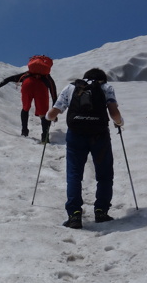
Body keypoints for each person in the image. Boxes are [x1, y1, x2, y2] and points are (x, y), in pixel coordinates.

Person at [45, 68, 124, 229]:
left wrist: (48, 118)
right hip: (99, 135)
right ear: (102, 80)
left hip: (76, 135)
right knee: (104, 175)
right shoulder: (106, 88)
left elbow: (52, 113)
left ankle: (74, 215)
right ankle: (101, 211)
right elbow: (114, 113)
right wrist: (120, 123)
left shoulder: (71, 87)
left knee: (74, 174)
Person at [0, 55, 58, 142]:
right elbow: (54, 94)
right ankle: (44, 137)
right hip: (41, 88)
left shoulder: (26, 75)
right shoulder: (47, 78)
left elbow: (7, 79)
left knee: (25, 108)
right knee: (43, 114)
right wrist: (54, 112)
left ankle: (24, 132)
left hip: (27, 84)